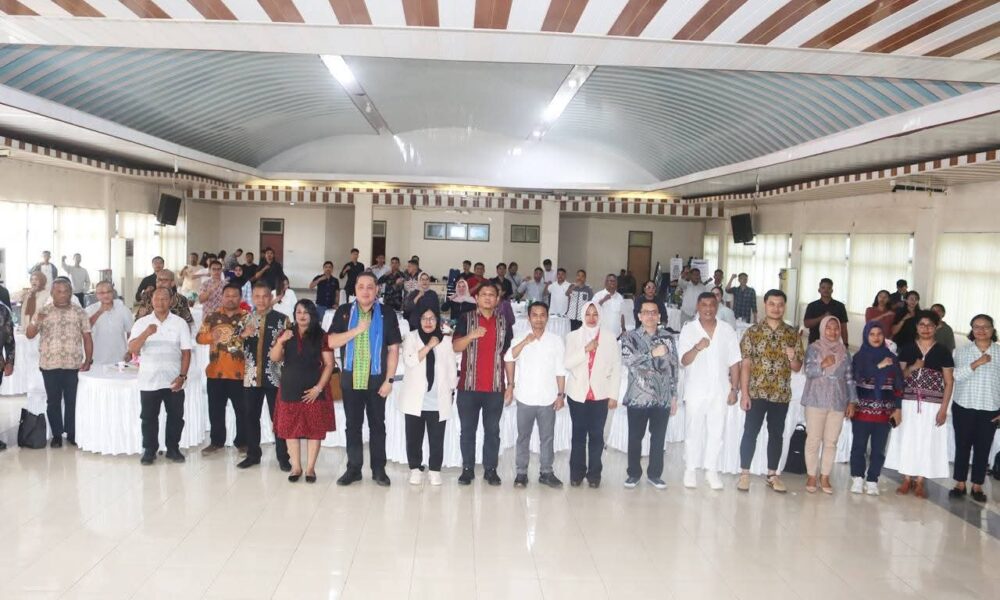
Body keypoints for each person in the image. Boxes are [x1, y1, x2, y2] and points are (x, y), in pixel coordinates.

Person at [327, 272, 402, 487]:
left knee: (378, 425)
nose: (366, 291)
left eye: (370, 287)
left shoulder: (387, 313)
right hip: (351, 379)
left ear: (377, 289)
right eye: (361, 287)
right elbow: (331, 342)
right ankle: (354, 469)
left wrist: (389, 380)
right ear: (355, 290)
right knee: (353, 426)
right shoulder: (344, 312)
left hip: (377, 380)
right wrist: (356, 330)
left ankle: (379, 470)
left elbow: (393, 349)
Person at [737, 289, 804, 493]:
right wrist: (744, 393)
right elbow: (745, 364)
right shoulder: (753, 332)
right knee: (750, 433)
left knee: (776, 435)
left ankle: (772, 475)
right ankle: (744, 474)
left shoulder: (792, 334)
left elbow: (797, 367)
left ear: (784, 307)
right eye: (772, 304)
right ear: (765, 305)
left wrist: (792, 357)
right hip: (756, 393)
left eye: (780, 304)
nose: (776, 308)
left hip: (780, 394)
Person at [885, 310, 953, 499]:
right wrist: (913, 367)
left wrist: (943, 409)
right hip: (908, 403)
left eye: (930, 325)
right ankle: (907, 478)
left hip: (932, 405)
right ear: (916, 327)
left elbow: (949, 382)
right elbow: (898, 378)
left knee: (926, 440)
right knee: (907, 438)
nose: (926, 328)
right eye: (922, 325)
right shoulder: (907, 348)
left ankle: (921, 480)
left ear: (936, 328)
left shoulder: (943, 351)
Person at [452, 282, 513, 486]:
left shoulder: (504, 322)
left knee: (492, 432)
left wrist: (510, 384)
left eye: (491, 294)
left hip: (495, 387)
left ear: (497, 299)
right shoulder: (466, 318)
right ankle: (467, 469)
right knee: (467, 431)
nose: (487, 297)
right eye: (484, 294)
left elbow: (508, 355)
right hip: (468, 387)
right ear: (476, 298)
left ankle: (490, 469)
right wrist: (471, 335)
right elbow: (455, 346)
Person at [678, 293, 741, 490]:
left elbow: (735, 361)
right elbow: (683, 361)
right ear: (697, 307)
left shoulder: (727, 330)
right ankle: (690, 469)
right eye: (704, 304)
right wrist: (697, 348)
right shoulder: (689, 329)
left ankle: (711, 470)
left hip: (721, 390)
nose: (708, 308)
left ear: (717, 306)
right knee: (693, 430)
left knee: (716, 431)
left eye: (712, 305)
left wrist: (734, 389)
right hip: (696, 390)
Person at [270, 299, 336, 483]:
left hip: (314, 391)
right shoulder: (287, 333)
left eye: (306, 312)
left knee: (314, 430)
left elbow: (329, 364)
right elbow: (274, 358)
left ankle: (310, 469)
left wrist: (318, 388)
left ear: (312, 314)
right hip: (289, 388)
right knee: (290, 429)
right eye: (298, 312)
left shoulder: (321, 335)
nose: (302, 315)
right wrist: (281, 341)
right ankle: (296, 467)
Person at [505, 302, 567, 489]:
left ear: (547, 317)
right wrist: (525, 342)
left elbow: (560, 370)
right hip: (525, 397)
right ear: (529, 317)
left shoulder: (556, 340)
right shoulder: (520, 338)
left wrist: (561, 394)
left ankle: (546, 472)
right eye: (535, 315)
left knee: (547, 437)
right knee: (523, 437)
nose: (538, 319)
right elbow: (509, 357)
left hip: (548, 397)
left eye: (542, 315)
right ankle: (521, 473)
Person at [25, 279, 92, 448]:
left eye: (66, 291)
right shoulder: (43, 311)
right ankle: (56, 435)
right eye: (59, 291)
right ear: (52, 293)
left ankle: (72, 433)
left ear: (71, 293)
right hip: (50, 364)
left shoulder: (79, 312)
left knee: (72, 400)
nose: (63, 295)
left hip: (73, 364)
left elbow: (87, 337)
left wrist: (88, 359)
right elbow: (29, 335)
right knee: (53, 401)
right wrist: (36, 321)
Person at [128, 288, 192, 465]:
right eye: (157, 299)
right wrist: (146, 333)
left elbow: (186, 353)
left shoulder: (180, 323)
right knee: (148, 418)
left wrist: (182, 376)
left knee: (176, 417)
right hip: (149, 380)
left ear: (171, 301)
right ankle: (149, 450)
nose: (160, 302)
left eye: (164, 299)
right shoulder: (142, 323)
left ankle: (173, 449)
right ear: (151, 301)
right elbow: (132, 349)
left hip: (173, 379)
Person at [621, 298, 679, 489]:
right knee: (635, 437)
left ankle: (655, 474)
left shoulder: (668, 337)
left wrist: (674, 395)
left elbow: (673, 367)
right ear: (639, 316)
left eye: (654, 312)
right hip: (638, 396)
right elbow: (629, 361)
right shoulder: (629, 337)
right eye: (646, 312)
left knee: (658, 438)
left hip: (662, 397)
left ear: (659, 316)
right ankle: (633, 474)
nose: (650, 316)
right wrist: (653, 354)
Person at [564, 301, 620, 487]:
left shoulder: (609, 338)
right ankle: (576, 474)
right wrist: (585, 349)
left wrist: (613, 395)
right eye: (588, 314)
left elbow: (616, 368)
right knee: (578, 435)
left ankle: (594, 475)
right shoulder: (573, 336)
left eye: (595, 314)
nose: (591, 318)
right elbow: (567, 363)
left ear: (600, 316)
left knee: (597, 436)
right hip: (577, 394)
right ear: (582, 315)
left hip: (600, 395)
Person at [400, 307, 458, 486]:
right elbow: (410, 361)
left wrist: (451, 390)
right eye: (424, 318)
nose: (428, 322)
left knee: (437, 439)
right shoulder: (411, 338)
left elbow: (451, 368)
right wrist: (429, 346)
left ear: (437, 320)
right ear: (419, 320)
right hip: (415, 400)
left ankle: (434, 470)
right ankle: (415, 469)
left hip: (438, 400)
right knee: (413, 438)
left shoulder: (446, 340)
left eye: (432, 318)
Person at [238, 282, 291, 471]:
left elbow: (290, 349)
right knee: (250, 416)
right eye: (257, 296)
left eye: (265, 296)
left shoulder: (282, 320)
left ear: (271, 298)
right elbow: (232, 348)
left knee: (278, 418)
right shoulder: (245, 319)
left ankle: (283, 457)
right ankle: (253, 455)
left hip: (275, 377)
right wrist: (243, 335)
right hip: (251, 377)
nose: (261, 300)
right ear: (252, 298)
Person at [848, 321, 904, 495]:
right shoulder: (859, 357)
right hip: (861, 412)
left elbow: (898, 386)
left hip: (884, 413)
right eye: (872, 334)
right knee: (859, 446)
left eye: (879, 334)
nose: (876, 337)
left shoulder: (892, 358)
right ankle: (857, 478)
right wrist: (879, 367)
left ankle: (872, 480)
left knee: (878, 450)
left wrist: (898, 408)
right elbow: (858, 379)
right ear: (866, 336)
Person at [801, 316, 855, 494]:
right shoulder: (814, 348)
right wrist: (823, 365)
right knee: (813, 439)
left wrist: (852, 401)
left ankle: (825, 476)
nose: (833, 332)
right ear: (822, 329)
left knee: (831, 441)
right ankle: (811, 475)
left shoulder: (844, 352)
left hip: (837, 401)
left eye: (836, 328)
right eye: (829, 328)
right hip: (815, 399)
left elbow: (849, 378)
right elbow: (808, 371)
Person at [950, 314, 1000, 503]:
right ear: (972, 330)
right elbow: (956, 376)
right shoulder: (961, 351)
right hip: (964, 406)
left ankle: (977, 485)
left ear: (992, 330)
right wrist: (977, 363)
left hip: (990, 408)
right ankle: (960, 483)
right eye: (976, 327)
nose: (981, 330)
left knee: (983, 447)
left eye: (985, 326)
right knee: (962, 445)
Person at [196, 284, 248, 456]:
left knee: (242, 411)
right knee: (216, 410)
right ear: (222, 297)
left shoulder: (247, 317)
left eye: (234, 296)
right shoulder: (212, 316)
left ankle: (243, 442)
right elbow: (199, 338)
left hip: (240, 373)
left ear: (240, 298)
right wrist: (211, 336)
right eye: (227, 295)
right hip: (215, 372)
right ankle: (216, 442)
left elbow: (255, 340)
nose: (230, 299)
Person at [86, 281, 133, 365]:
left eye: (109, 292)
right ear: (96, 295)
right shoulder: (89, 310)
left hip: (119, 357)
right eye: (102, 293)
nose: (106, 295)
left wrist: (130, 352)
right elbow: (84, 330)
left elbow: (130, 332)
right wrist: (99, 312)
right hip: (96, 359)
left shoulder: (123, 309)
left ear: (113, 292)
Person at [802, 278, 849, 345]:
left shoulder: (840, 306)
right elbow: (806, 324)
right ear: (819, 290)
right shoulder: (812, 306)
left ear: (832, 290)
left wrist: (845, 344)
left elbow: (843, 328)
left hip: (834, 344)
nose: (826, 290)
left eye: (829, 288)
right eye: (823, 288)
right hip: (815, 343)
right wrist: (822, 317)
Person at [592, 274, 625, 339]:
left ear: (617, 283)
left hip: (616, 334)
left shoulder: (620, 297)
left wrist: (623, 328)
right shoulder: (598, 295)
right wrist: (603, 300)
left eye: (614, 281)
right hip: (601, 334)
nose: (612, 283)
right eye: (610, 281)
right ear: (606, 282)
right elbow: (592, 310)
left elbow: (622, 315)